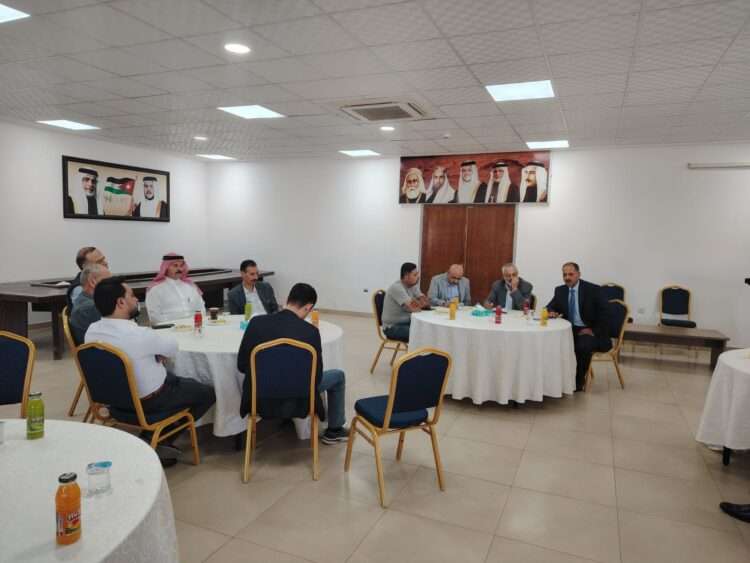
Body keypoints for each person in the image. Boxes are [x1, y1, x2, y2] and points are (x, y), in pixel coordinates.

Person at [86, 277, 216, 465]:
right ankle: (160, 439)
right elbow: (172, 347)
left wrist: (152, 352)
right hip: (150, 402)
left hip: (113, 402)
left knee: (176, 379)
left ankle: (154, 437)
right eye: (131, 295)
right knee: (207, 392)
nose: (135, 299)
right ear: (121, 302)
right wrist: (156, 351)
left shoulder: (91, 331)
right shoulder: (140, 335)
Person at [237, 283, 348, 445]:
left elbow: (242, 365)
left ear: (287, 300)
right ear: (308, 307)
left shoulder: (256, 323)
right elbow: (316, 378)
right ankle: (335, 431)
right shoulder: (311, 332)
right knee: (338, 376)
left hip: (259, 398)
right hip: (300, 400)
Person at [546, 262, 611, 391]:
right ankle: (556, 378)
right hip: (570, 329)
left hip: (590, 330)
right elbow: (549, 307)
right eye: (564, 275)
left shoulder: (593, 290)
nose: (567, 278)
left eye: (571, 274)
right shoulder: (560, 290)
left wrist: (592, 330)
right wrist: (551, 311)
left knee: (582, 346)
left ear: (579, 274)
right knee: (550, 342)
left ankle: (577, 381)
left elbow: (606, 314)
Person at [145, 253, 205, 325]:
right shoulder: (155, 289)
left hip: (193, 325)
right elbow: (154, 317)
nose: (179, 269)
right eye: (175, 266)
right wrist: (177, 324)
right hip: (169, 328)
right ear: (166, 267)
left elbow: (201, 308)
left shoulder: (191, 286)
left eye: (181, 266)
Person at [382, 262, 430, 341]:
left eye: (417, 274)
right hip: (392, 327)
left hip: (406, 322)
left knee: (428, 330)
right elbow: (414, 308)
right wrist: (418, 303)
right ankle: (419, 349)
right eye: (415, 275)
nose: (418, 277)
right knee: (423, 334)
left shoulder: (412, 286)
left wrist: (418, 303)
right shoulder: (397, 288)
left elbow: (426, 302)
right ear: (406, 275)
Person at [69, 263, 111, 345]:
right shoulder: (91, 308)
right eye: (109, 281)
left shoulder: (85, 300)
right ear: (92, 282)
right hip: (101, 350)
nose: (114, 285)